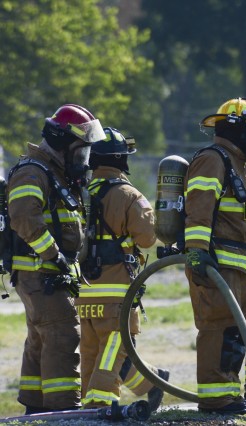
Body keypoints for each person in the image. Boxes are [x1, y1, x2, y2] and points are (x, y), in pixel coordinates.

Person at [6, 104, 105, 413]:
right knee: (62, 335)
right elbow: (24, 218)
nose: (83, 160)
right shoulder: (32, 173)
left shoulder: (53, 173)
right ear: (63, 144)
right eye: (81, 151)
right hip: (40, 272)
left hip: (47, 275)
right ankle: (62, 412)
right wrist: (55, 255)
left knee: (41, 338)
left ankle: (35, 410)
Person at [183, 96, 246, 414]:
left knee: (238, 331)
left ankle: (229, 395)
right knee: (218, 328)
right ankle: (216, 399)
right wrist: (196, 253)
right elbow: (199, 210)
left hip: (238, 267)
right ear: (237, 131)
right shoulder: (213, 159)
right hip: (215, 264)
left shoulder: (241, 166)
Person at [77, 127, 170, 411]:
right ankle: (101, 403)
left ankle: (150, 384)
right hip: (118, 291)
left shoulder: (78, 193)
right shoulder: (129, 195)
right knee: (114, 348)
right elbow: (147, 238)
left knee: (91, 350)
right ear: (121, 160)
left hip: (83, 290)